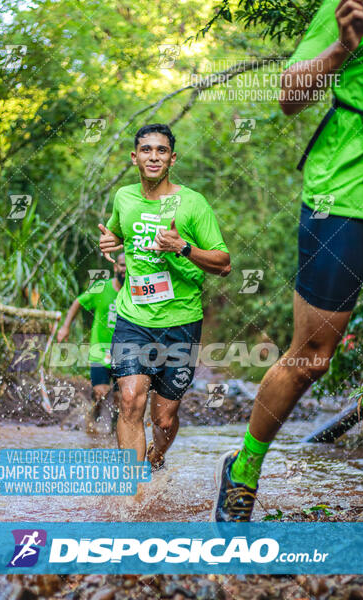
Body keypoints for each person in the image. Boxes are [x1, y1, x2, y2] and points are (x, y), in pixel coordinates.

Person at [213, 0, 363, 521]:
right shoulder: (347, 8)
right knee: (311, 358)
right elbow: (289, 97)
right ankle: (245, 468)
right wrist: (345, 47)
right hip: (345, 197)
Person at [99, 123, 231, 466]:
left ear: (172, 158)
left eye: (161, 150)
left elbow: (224, 263)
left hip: (181, 322)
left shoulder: (193, 203)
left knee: (164, 418)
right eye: (146, 150)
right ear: (134, 157)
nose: (153, 156)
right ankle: (133, 490)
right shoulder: (124, 198)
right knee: (129, 401)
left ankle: (156, 457)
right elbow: (116, 233)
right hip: (134, 318)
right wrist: (109, 242)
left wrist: (183, 247)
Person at [57, 253, 126, 423]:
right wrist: (65, 327)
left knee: (121, 399)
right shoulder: (101, 288)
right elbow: (78, 302)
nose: (125, 270)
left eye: (129, 266)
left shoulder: (135, 292)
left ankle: (115, 435)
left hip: (125, 354)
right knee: (100, 394)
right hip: (100, 352)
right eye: (122, 265)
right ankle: (91, 426)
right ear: (115, 267)